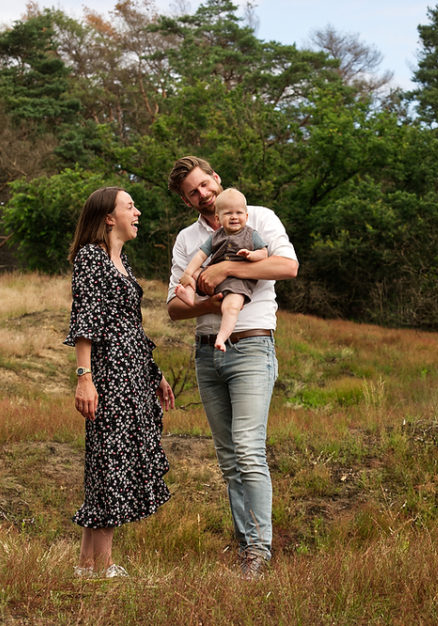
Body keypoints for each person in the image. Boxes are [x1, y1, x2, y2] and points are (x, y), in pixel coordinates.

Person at [166, 156, 298, 579]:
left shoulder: (258, 217)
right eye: (193, 192)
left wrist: (225, 267)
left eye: (205, 185)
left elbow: (287, 266)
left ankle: (258, 552)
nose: (202, 194)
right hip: (207, 353)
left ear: (216, 179)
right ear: (188, 201)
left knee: (247, 448)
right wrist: (208, 299)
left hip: (253, 346)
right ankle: (247, 546)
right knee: (228, 458)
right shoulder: (188, 239)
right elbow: (173, 306)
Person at [64, 186, 176, 579]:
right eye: (130, 206)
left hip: (133, 375)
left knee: (106, 465)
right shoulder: (91, 258)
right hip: (108, 375)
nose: (138, 212)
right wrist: (84, 378)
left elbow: (132, 327)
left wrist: (155, 373)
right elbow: (85, 321)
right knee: (110, 463)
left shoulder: (121, 262)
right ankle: (106, 567)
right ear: (109, 218)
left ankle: (85, 566)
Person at [174, 187, 268, 352]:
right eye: (228, 213)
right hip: (212, 277)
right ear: (218, 218)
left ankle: (221, 337)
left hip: (237, 284)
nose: (234, 217)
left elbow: (264, 253)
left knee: (231, 307)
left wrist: (252, 255)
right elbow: (200, 256)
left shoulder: (252, 235)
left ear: (246, 216)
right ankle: (189, 297)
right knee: (196, 271)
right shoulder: (215, 236)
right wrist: (188, 274)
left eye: (239, 213)